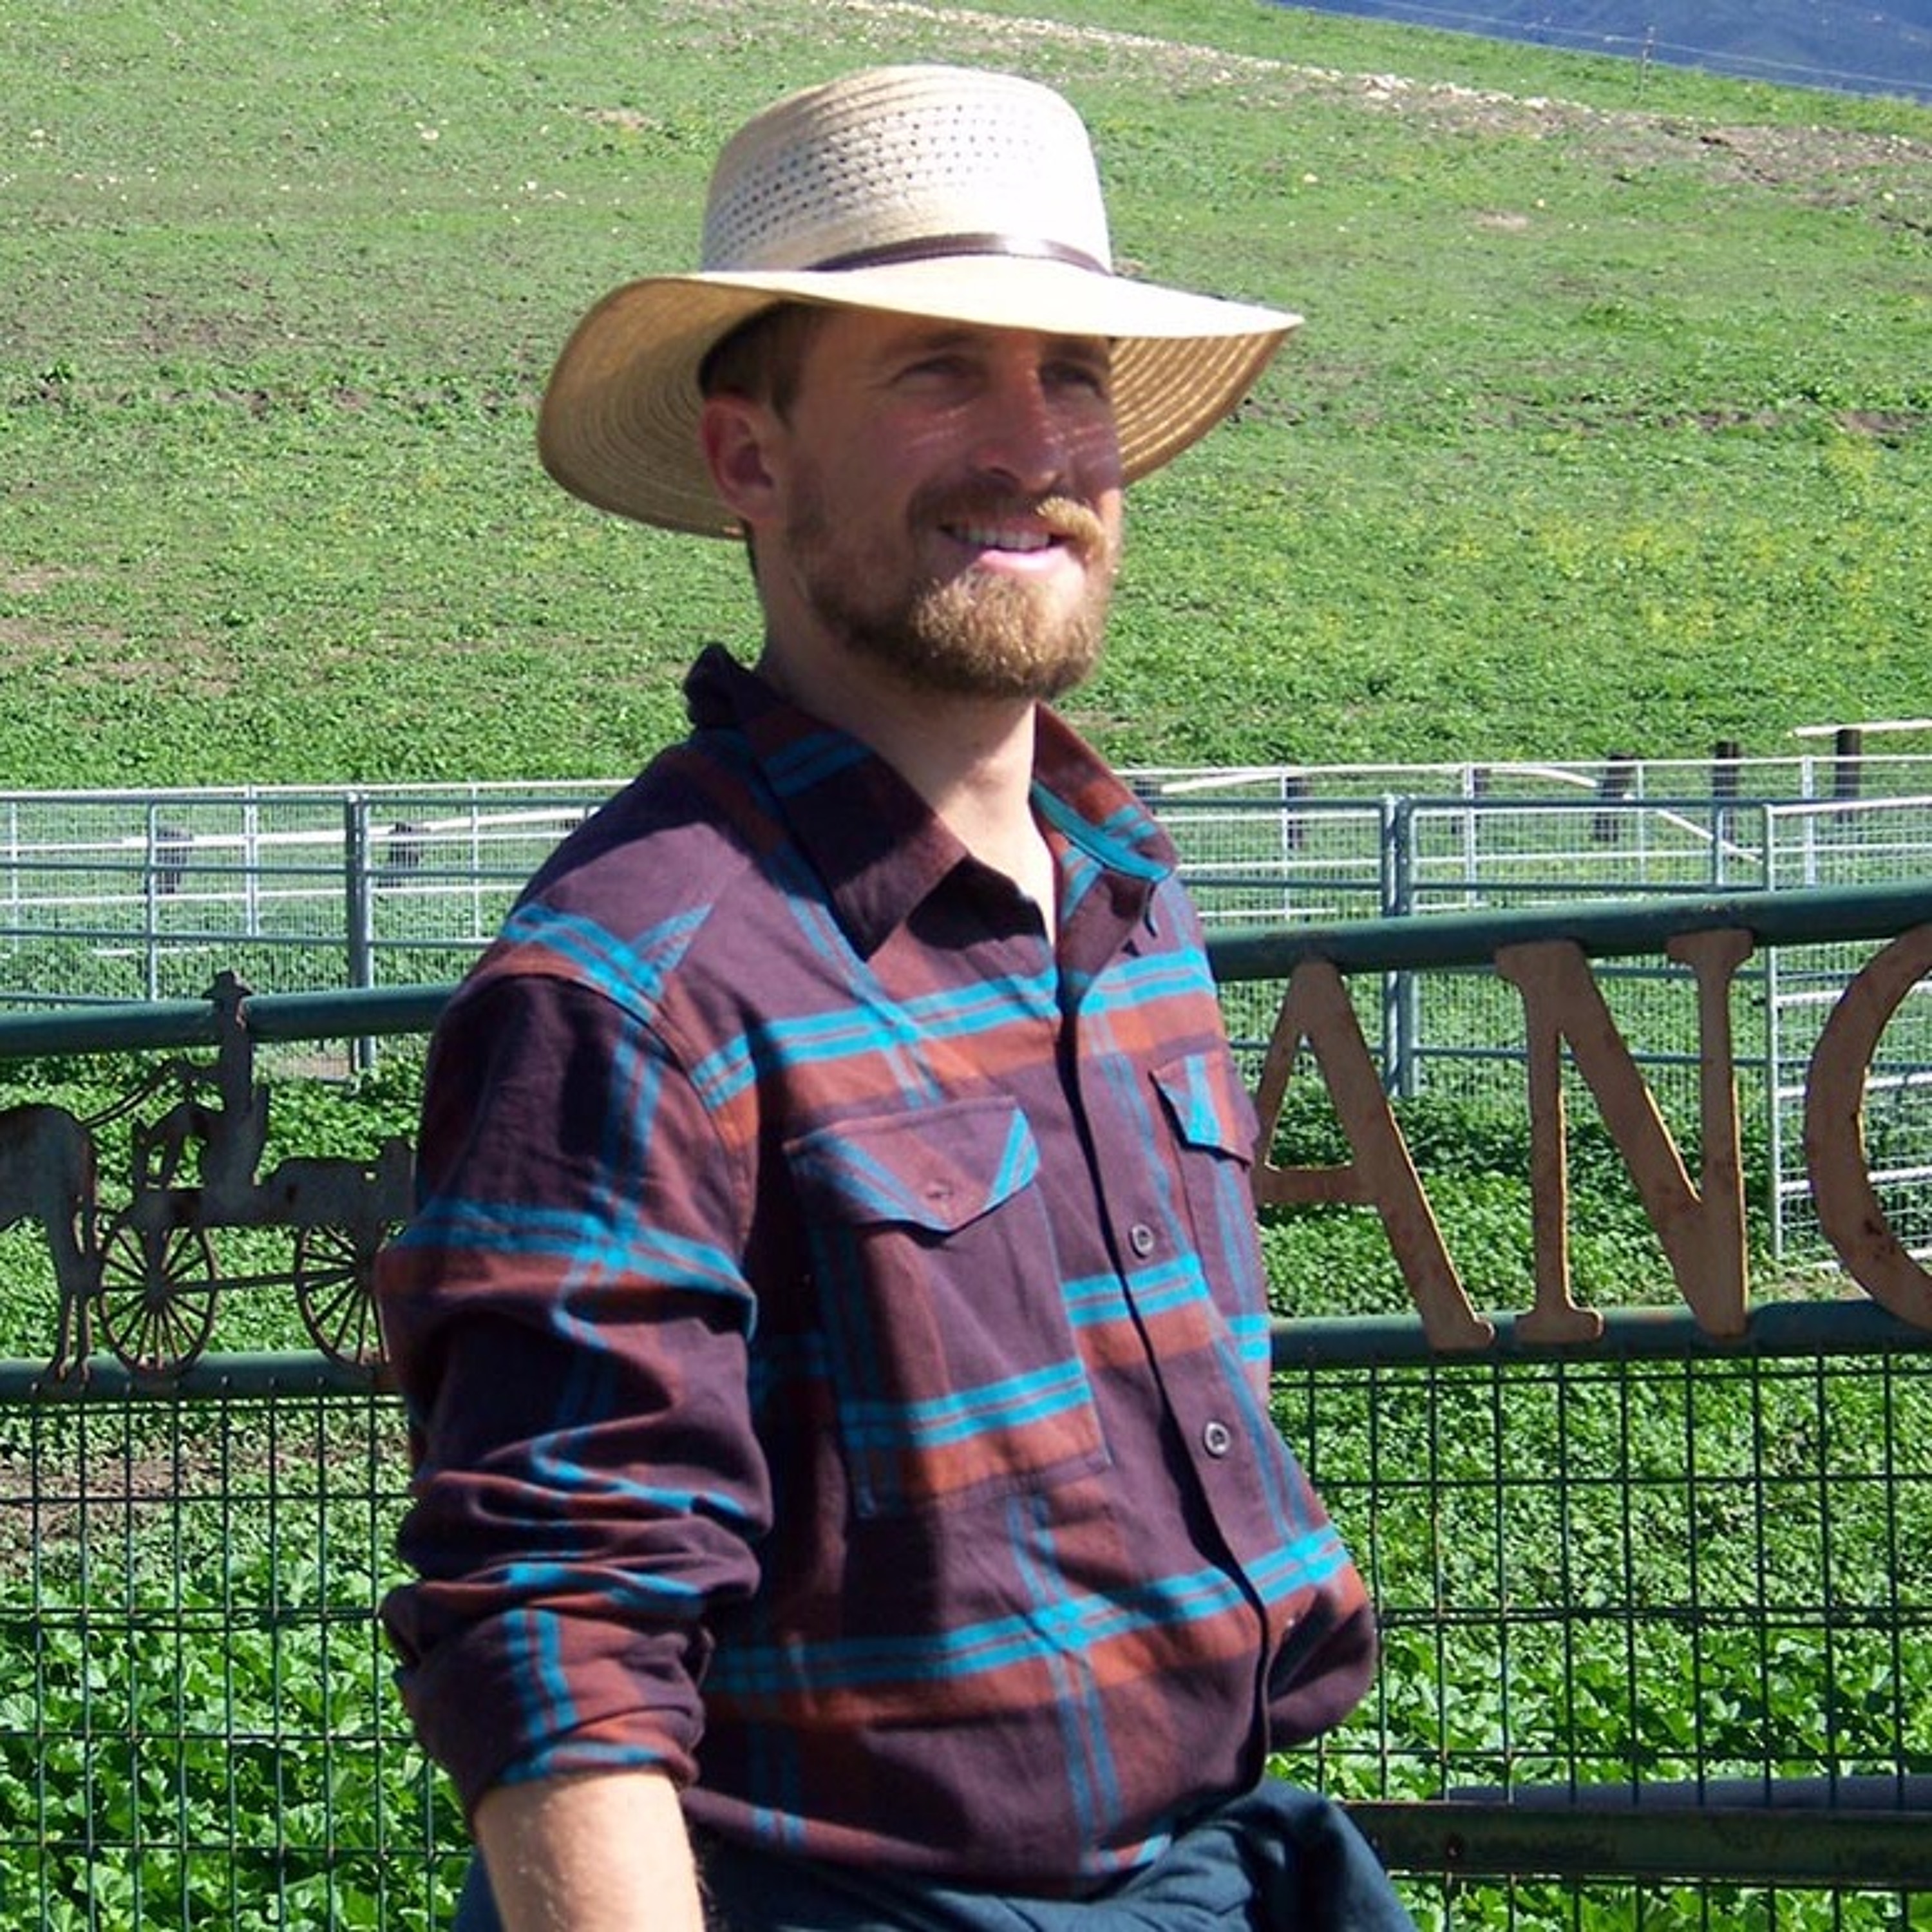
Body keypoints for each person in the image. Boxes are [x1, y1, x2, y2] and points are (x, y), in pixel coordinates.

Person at [377, 63, 1415, 1932]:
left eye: (1073, 374)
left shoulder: (1125, 895)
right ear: (749, 460)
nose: (1036, 447)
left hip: (1228, 1868)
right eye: (939, 372)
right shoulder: (636, 986)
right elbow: (561, 1633)